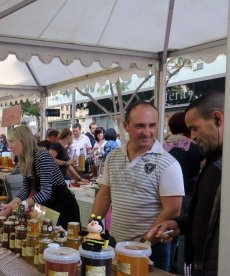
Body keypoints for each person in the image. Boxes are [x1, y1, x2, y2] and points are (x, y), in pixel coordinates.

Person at [92, 101, 184, 271]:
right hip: (115, 240)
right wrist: (92, 226)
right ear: (126, 126)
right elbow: (105, 194)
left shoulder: (168, 163)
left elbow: (172, 210)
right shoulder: (113, 157)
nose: (147, 132)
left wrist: (146, 243)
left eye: (152, 126)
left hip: (151, 248)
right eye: (140, 126)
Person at [146, 92, 224, 275]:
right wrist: (180, 224)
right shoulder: (212, 162)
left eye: (195, 128)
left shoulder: (219, 166)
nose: (192, 136)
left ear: (218, 119)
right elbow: (208, 216)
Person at [0, 125, 80, 229]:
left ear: (24, 140)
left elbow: (46, 192)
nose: (9, 146)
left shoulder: (42, 156)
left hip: (63, 207)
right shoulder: (26, 159)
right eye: (9, 142)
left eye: (12, 141)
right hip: (46, 207)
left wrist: (22, 206)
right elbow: (25, 190)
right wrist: (10, 206)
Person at [163, 112, 205, 216]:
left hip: (164, 199)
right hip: (188, 197)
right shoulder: (195, 148)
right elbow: (205, 173)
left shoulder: (162, 148)